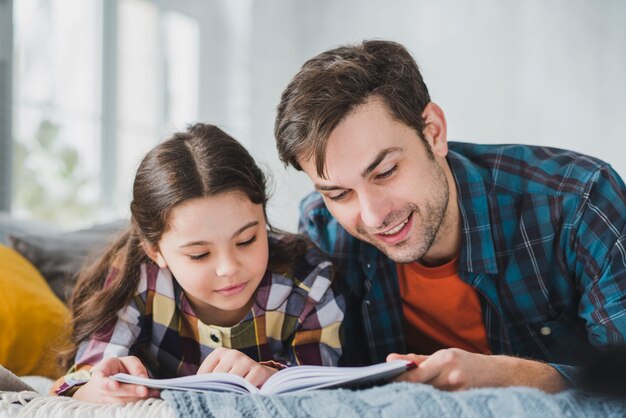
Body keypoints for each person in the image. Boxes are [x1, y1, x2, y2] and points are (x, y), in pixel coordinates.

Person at [274, 40, 626, 393]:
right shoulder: (323, 229)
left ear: (433, 132)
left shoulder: (580, 201)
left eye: (385, 172)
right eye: (339, 193)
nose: (373, 215)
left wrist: (513, 379)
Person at [52, 123, 344, 404]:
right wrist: (101, 388)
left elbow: (325, 382)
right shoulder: (136, 275)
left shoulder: (309, 279)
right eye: (199, 255)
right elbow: (78, 380)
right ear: (155, 251)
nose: (229, 267)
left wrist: (269, 375)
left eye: (247, 240)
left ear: (263, 216)